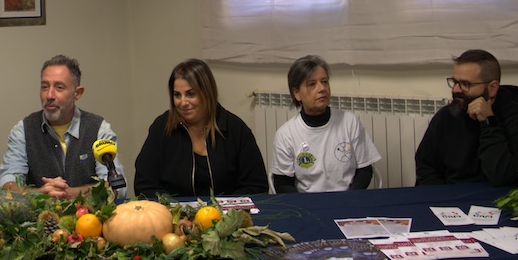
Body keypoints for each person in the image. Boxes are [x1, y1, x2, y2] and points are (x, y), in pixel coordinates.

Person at [134, 59, 269, 198]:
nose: (183, 102)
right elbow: (144, 183)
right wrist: (173, 206)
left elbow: (256, 186)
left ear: (207, 93)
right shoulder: (162, 127)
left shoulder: (235, 129)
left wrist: (223, 207)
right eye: (177, 95)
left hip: (225, 210)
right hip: (173, 210)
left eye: (190, 94)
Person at [0, 55, 126, 198]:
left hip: (89, 212)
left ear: (77, 93)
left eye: (59, 87)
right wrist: (40, 194)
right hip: (39, 212)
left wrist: (70, 194)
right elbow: (5, 184)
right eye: (45, 87)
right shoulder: (23, 130)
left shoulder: (98, 129)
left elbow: (117, 188)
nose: (49, 95)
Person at [415, 49, 518, 187]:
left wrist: (489, 122)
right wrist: (441, 196)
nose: (456, 90)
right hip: (449, 195)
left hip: (498, 198)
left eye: (465, 84)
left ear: (492, 88)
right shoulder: (447, 115)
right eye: (454, 82)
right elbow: (426, 167)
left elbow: (502, 178)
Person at [271, 55, 381, 193]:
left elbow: (364, 170)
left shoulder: (349, 122)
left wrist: (349, 199)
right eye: (312, 84)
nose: (322, 88)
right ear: (296, 93)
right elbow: (282, 183)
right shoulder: (286, 134)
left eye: (324, 81)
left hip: (347, 199)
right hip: (307, 203)